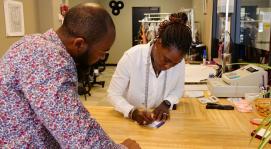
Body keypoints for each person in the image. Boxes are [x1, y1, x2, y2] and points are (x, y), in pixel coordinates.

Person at [0, 3, 140, 149]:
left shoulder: (33, 43)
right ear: (79, 44)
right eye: (103, 52)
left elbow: (70, 118)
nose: (101, 59)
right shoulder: (47, 57)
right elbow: (76, 134)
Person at [108, 15, 192, 125]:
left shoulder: (179, 62)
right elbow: (113, 94)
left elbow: (178, 90)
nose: (168, 66)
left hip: (159, 124)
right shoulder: (131, 57)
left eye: (174, 63)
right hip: (130, 122)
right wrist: (131, 112)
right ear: (158, 43)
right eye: (166, 59)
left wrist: (167, 103)